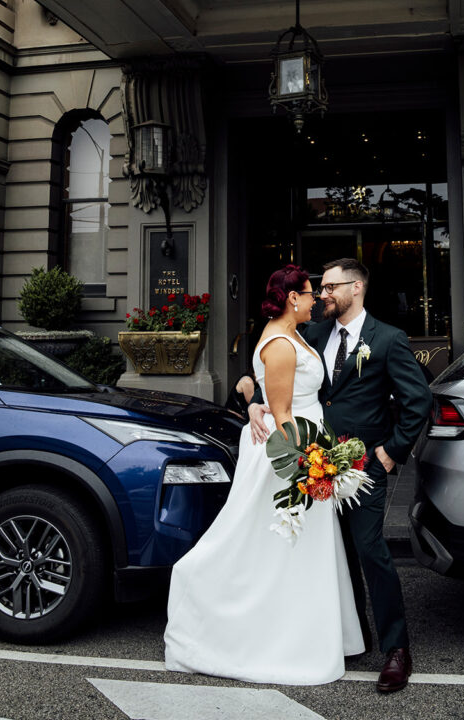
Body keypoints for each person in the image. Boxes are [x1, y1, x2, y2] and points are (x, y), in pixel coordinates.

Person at [164, 265, 364, 684]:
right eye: (310, 294)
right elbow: (285, 412)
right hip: (289, 454)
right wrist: (311, 463)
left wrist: (252, 400)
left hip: (300, 443)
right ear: (293, 298)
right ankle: (265, 634)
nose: (316, 300)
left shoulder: (288, 333)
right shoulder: (281, 344)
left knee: (293, 549)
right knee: (273, 544)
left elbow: (263, 390)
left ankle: (305, 632)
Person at [249, 258, 433, 693]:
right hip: (310, 464)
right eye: (321, 287)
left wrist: (390, 453)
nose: (324, 293)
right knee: (333, 552)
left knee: (370, 550)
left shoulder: (388, 339)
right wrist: (254, 399)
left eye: (331, 286)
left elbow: (417, 401)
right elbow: (277, 371)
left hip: (363, 466)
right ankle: (353, 638)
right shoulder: (311, 332)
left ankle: (396, 650)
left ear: (356, 288)